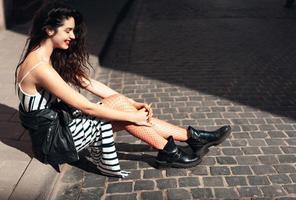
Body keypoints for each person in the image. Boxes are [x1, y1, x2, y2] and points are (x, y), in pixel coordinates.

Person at [14, 2, 231, 178]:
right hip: (52, 143)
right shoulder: (39, 67)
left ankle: (188, 139)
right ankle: (172, 149)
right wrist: (130, 113)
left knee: (120, 105)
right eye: (68, 30)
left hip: (63, 128)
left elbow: (90, 84)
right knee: (122, 111)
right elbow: (87, 107)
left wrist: (132, 104)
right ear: (49, 29)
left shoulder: (48, 57)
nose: (73, 36)